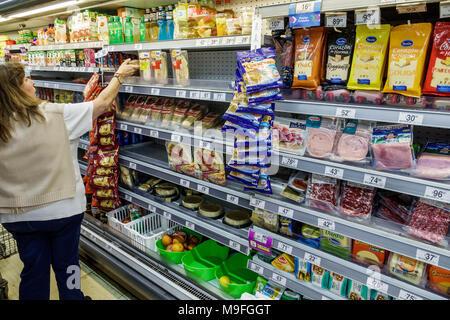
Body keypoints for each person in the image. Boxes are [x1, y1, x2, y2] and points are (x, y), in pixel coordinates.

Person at [0, 59, 139, 300]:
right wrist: (119, 75)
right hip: (62, 211)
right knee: (69, 266)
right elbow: (103, 103)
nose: (32, 82)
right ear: (15, 89)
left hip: (18, 214)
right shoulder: (55, 115)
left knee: (33, 269)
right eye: (25, 79)